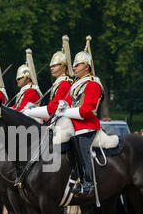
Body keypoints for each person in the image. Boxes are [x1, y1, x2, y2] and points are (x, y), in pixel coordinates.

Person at [52, 35, 103, 197]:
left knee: (81, 147)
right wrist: (60, 109)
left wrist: (64, 111)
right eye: (73, 64)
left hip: (87, 126)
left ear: (87, 66)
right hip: (72, 125)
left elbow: (87, 110)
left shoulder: (93, 83)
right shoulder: (75, 85)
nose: (74, 66)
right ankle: (72, 176)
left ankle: (88, 182)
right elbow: (66, 103)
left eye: (78, 64)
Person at [25, 35, 72, 122]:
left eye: (54, 66)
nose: (51, 68)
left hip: (61, 118)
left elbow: (54, 108)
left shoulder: (65, 83)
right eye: (51, 66)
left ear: (63, 67)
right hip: (55, 115)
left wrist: (32, 111)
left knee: (28, 113)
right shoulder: (59, 82)